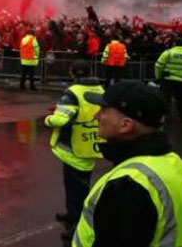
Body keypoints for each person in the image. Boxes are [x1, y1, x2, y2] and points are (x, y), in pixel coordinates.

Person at [74, 81, 182, 246]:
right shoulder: (173, 162)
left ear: (125, 125)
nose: (96, 116)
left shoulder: (128, 187)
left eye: (103, 110)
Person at [43, 60, 104, 242]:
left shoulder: (72, 93)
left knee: (77, 190)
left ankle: (78, 224)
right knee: (77, 188)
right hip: (90, 144)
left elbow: (61, 119)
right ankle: (72, 215)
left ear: (72, 72)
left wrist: (48, 120)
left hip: (74, 147)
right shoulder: (100, 90)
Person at [154, 37, 182, 122]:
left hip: (167, 80)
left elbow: (158, 65)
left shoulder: (168, 53)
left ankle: (161, 117)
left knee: (165, 98)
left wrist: (158, 77)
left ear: (175, 44)